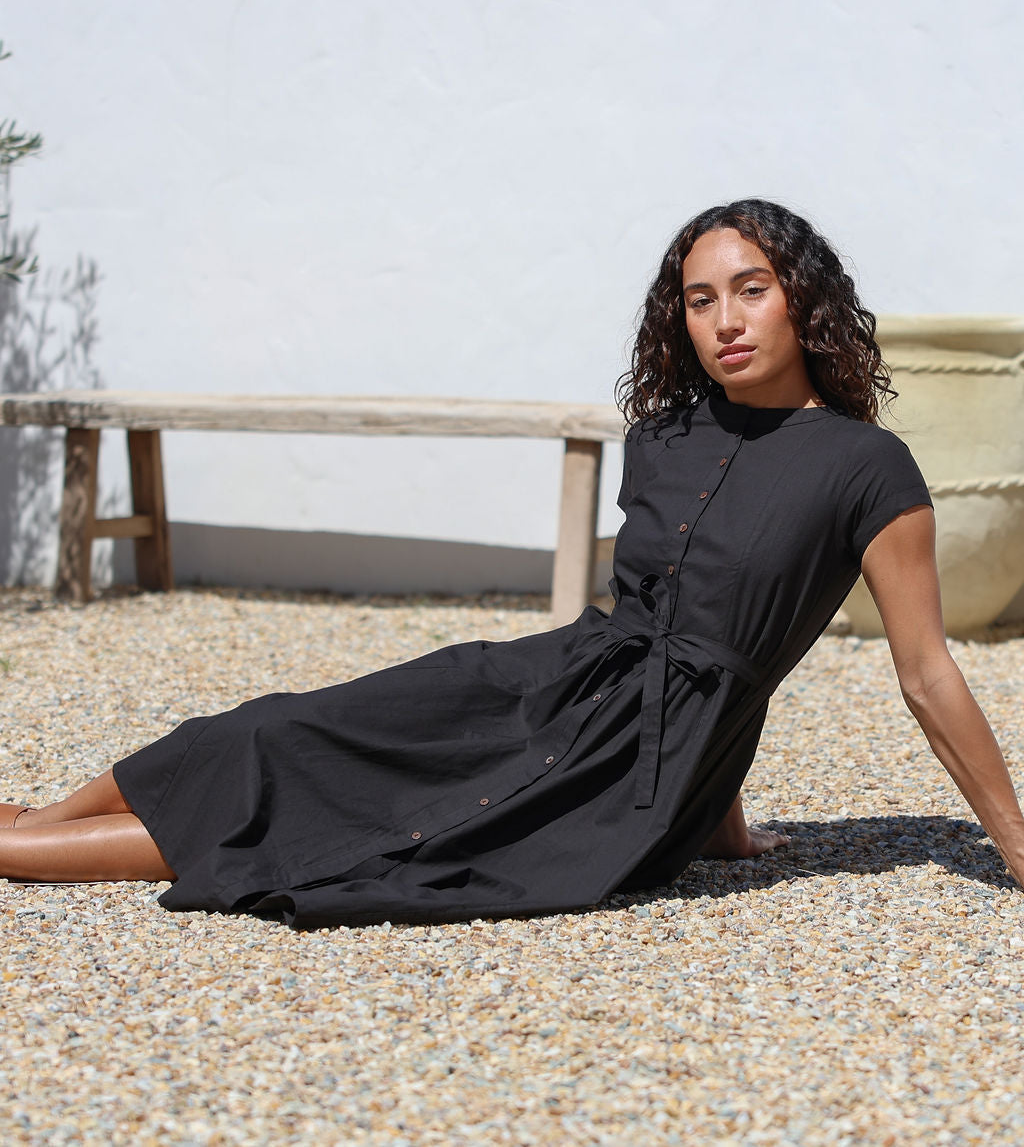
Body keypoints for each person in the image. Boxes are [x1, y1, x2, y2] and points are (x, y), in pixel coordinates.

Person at [3, 198, 1023, 926]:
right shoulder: (663, 434)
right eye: (700, 299)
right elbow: (674, 612)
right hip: (554, 679)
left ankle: (18, 845)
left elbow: (913, 671)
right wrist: (729, 821)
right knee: (271, 729)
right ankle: (34, 818)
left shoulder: (867, 467)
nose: (724, 321)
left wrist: (1012, 844)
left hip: (618, 777)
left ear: (801, 299)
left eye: (749, 291)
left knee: (350, 829)